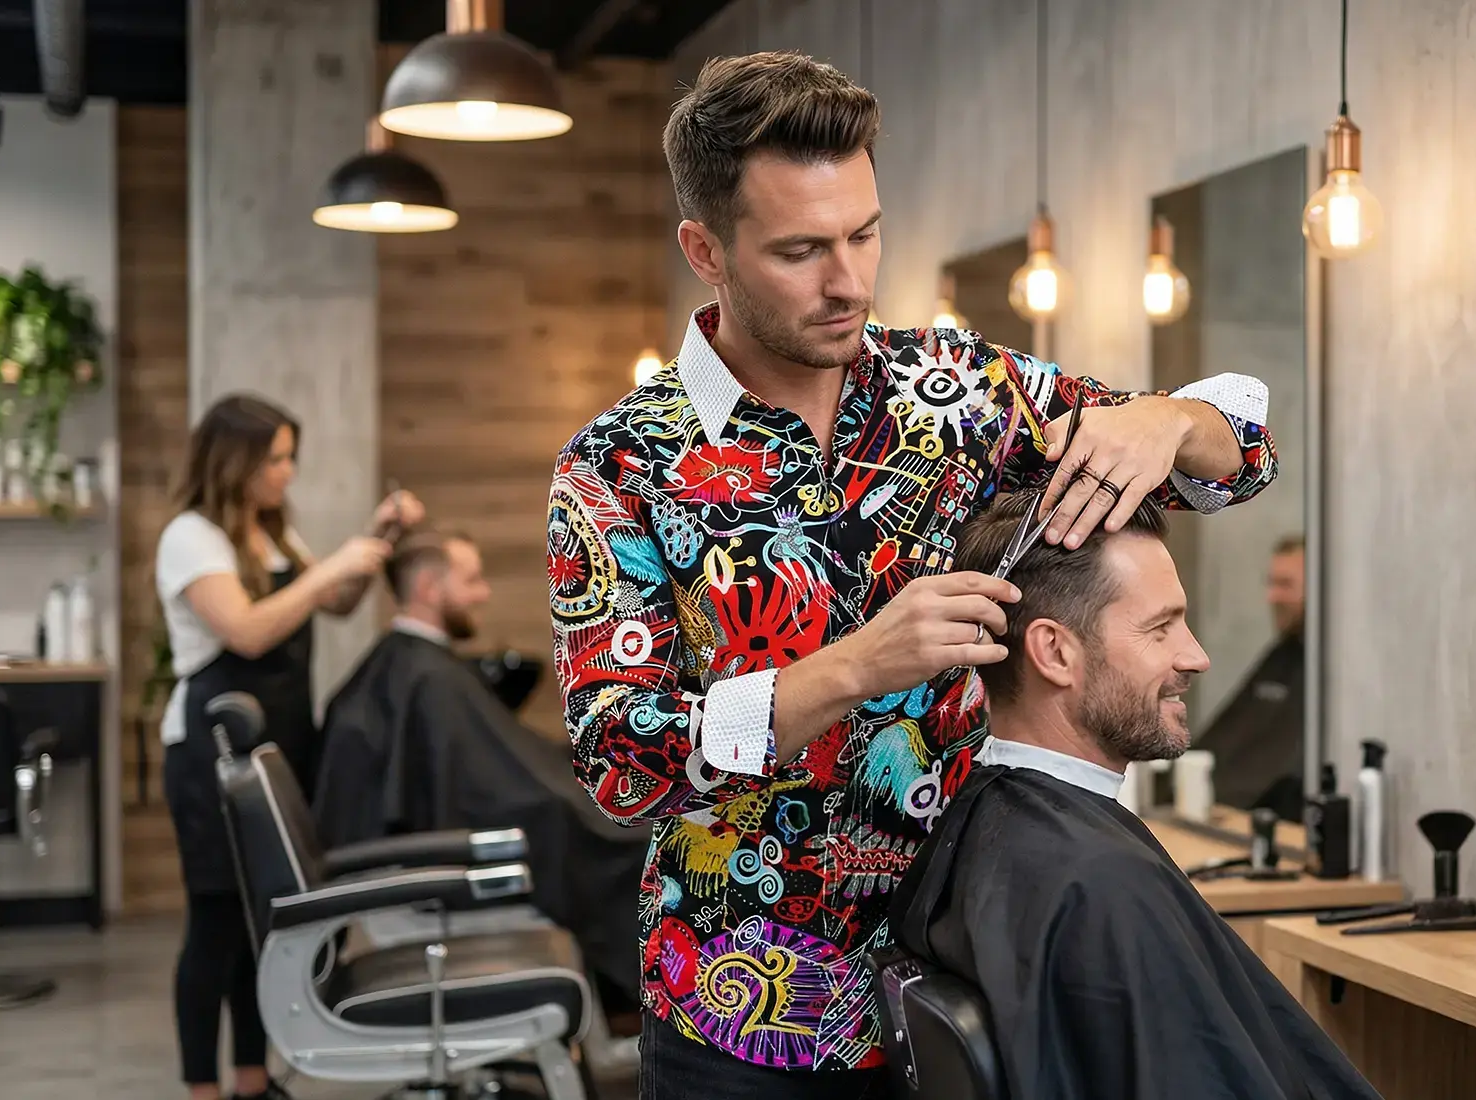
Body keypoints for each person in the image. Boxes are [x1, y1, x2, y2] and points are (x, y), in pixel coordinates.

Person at [547, 52, 1275, 1097]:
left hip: (962, 980)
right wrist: (851, 666)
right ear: (704, 249)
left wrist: (1165, 416)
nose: (847, 280)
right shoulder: (619, 465)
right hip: (744, 1022)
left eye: (863, 233)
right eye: (799, 250)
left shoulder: (958, 393)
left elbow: (1241, 455)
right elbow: (620, 756)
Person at [888, 491, 1379, 1100]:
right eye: (1160, 628)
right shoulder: (1095, 880)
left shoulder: (994, 827)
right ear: (1055, 652)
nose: (1195, 656)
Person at [155, 394, 418, 1100]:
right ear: (235, 460)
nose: (287, 472)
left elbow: (333, 604)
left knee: (263, 924)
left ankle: (251, 1078)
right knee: (214, 923)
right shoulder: (192, 536)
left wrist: (373, 540)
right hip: (210, 755)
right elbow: (245, 631)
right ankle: (200, 1087)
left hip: (275, 744)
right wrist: (331, 568)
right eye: (275, 458)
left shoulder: (270, 534)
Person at [315, 530, 650, 1018]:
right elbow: (479, 789)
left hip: (480, 834)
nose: (484, 593)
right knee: (632, 842)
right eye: (471, 580)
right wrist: (575, 799)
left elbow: (490, 769)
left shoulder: (415, 666)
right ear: (430, 588)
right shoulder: (424, 677)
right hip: (456, 869)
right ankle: (660, 1014)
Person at [1194, 534, 1307, 819]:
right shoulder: (1283, 655)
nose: (1272, 597)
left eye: (1285, 585)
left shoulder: (1333, 671)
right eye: (1271, 583)